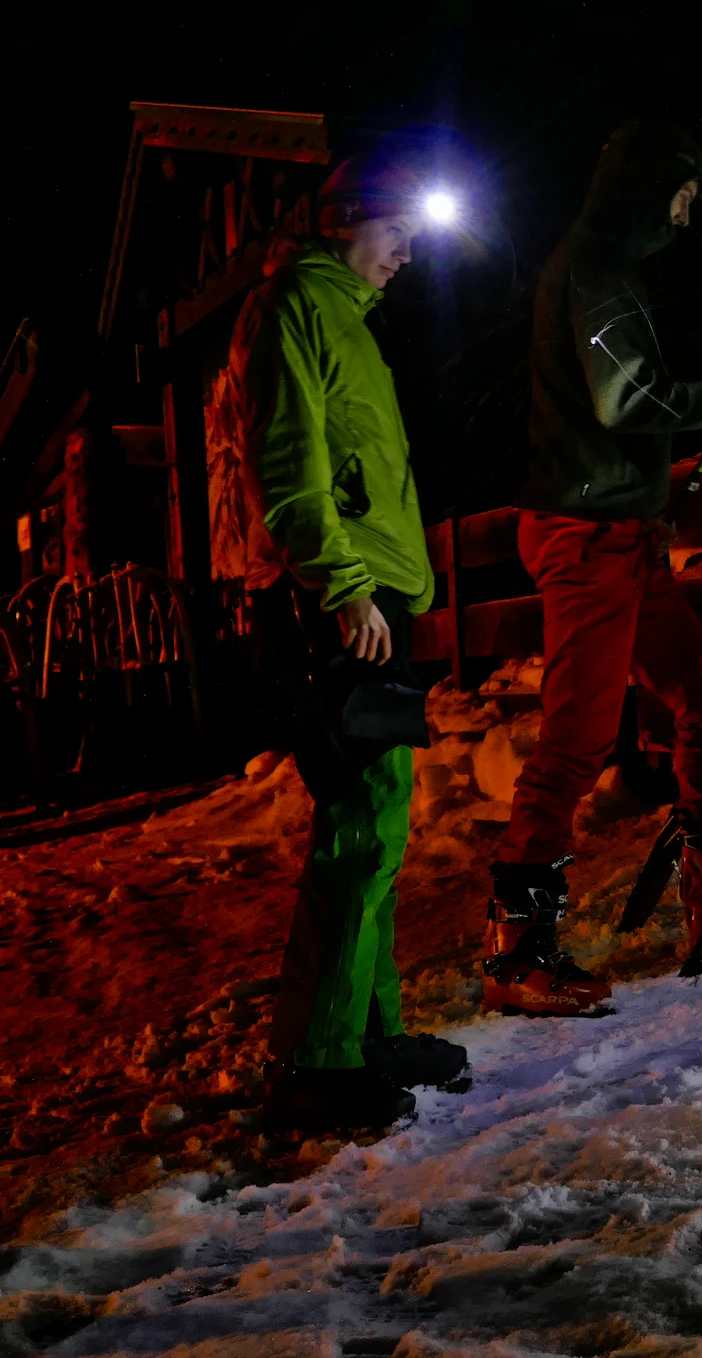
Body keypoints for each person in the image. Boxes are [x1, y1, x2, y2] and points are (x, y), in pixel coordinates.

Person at [486, 119, 702, 1017]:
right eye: (684, 194)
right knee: (578, 734)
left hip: (620, 530)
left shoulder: (608, 269)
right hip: (583, 536)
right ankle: (520, 947)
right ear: (645, 188)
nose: (691, 214)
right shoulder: (597, 271)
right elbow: (624, 397)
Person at [235, 151, 469, 1129]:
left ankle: (367, 1031)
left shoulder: (349, 322)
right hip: (351, 605)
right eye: (397, 230)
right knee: (357, 828)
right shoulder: (297, 304)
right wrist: (343, 584)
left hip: (381, 602)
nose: (409, 251)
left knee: (381, 829)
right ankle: (314, 1061)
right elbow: (290, 461)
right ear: (346, 219)